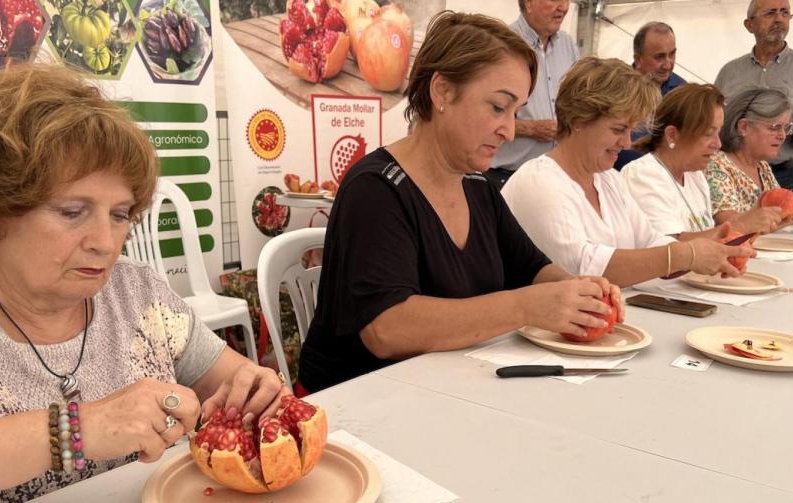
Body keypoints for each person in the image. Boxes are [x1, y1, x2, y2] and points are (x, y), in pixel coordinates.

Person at [0, 64, 285, 503]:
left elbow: (236, 384)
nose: (106, 243)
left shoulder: (138, 293)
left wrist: (256, 392)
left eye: (119, 215)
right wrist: (75, 430)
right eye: (72, 212)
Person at [298, 12, 621, 391]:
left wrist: (580, 294)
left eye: (516, 112)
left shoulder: (478, 188)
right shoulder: (375, 190)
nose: (510, 130)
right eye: (498, 107)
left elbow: (531, 268)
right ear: (443, 92)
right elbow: (386, 329)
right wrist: (528, 307)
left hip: (446, 390)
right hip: (356, 404)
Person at [502, 57, 753, 288]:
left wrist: (711, 246)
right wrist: (685, 255)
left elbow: (649, 240)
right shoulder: (539, 183)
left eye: (631, 130)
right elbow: (580, 269)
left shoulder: (608, 179)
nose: (626, 143)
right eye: (618, 129)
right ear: (579, 120)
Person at [621, 84, 768, 236]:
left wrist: (754, 223)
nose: (718, 144)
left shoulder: (694, 176)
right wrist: (741, 226)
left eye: (718, 132)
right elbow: (669, 248)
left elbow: (709, 239)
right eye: (708, 133)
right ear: (672, 134)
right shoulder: (642, 175)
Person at [714, 0, 793, 190]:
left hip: (781, 174)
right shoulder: (729, 71)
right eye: (770, 13)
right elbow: (714, 121)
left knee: (780, 220)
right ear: (749, 25)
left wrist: (788, 129)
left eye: (785, 13)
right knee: (735, 221)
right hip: (732, 171)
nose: (779, 19)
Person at [705, 86, 793, 232]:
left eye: (786, 128)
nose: (782, 136)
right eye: (775, 127)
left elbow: (783, 214)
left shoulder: (762, 167)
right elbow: (730, 226)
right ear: (744, 127)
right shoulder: (717, 166)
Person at [484, 0, 578, 189]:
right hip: (506, 178)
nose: (564, 7)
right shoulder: (502, 45)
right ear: (529, 3)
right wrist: (531, 129)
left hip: (555, 176)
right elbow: (482, 115)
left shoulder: (568, 45)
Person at [614, 21, 687, 170]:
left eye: (672, 54)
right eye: (659, 57)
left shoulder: (682, 92)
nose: (668, 64)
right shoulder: (615, 88)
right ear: (638, 59)